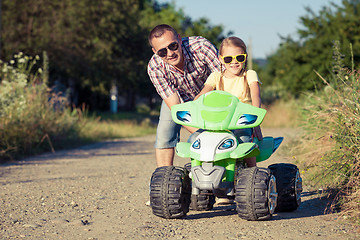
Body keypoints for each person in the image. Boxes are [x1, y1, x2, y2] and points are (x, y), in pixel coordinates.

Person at [147, 24, 222, 167]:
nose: (170, 53)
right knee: (164, 133)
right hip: (181, 102)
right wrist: (204, 133)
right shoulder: (154, 67)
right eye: (162, 52)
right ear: (155, 52)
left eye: (173, 46)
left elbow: (225, 80)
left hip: (214, 96)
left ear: (180, 40)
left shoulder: (201, 47)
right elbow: (177, 109)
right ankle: (164, 177)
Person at [194, 36, 263, 167]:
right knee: (197, 140)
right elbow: (203, 93)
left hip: (242, 122)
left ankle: (252, 172)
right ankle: (199, 172)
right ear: (221, 59)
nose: (234, 62)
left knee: (244, 141)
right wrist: (193, 105)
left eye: (240, 58)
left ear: (245, 57)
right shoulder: (215, 76)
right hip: (219, 122)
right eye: (228, 59)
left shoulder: (249, 75)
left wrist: (256, 119)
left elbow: (256, 96)